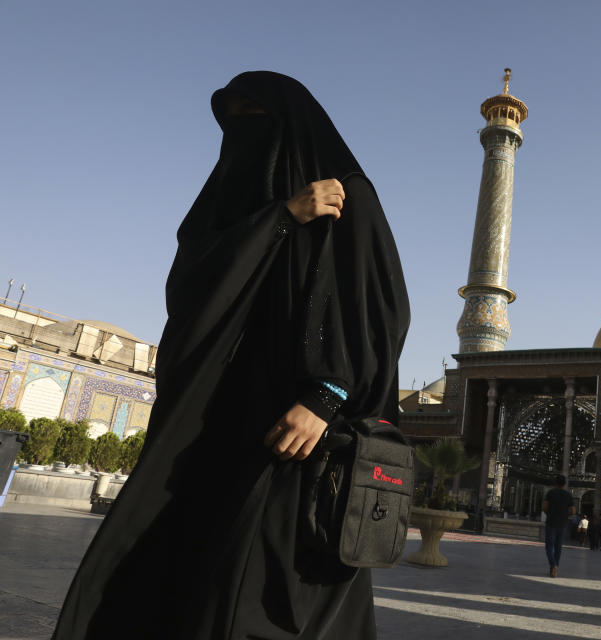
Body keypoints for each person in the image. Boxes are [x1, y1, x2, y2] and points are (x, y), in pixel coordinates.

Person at [52, 72, 409, 639]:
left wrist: (326, 394)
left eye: (253, 114)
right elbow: (192, 283)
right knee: (184, 574)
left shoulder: (347, 192)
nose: (241, 131)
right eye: (233, 116)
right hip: (215, 422)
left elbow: (379, 311)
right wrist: (282, 218)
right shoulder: (241, 204)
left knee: (270, 595)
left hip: (301, 434)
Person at [541, 474, 575, 577]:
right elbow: (573, 511)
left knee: (549, 546)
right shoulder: (568, 495)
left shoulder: (550, 493)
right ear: (564, 484)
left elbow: (544, 507)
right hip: (562, 524)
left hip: (551, 522)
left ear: (555, 483)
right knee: (558, 547)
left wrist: (549, 513)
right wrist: (565, 515)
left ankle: (553, 565)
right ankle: (555, 569)